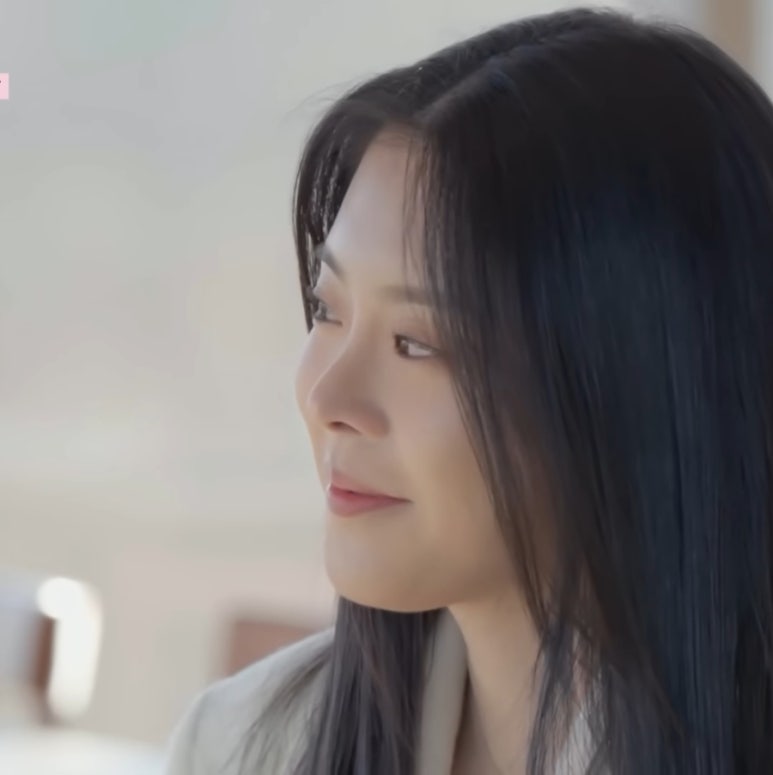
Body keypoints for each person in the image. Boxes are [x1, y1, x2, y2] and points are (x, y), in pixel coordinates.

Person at [163, 6, 773, 774]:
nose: (328, 398)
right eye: (327, 309)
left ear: (636, 382)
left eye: (417, 342)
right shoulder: (242, 743)